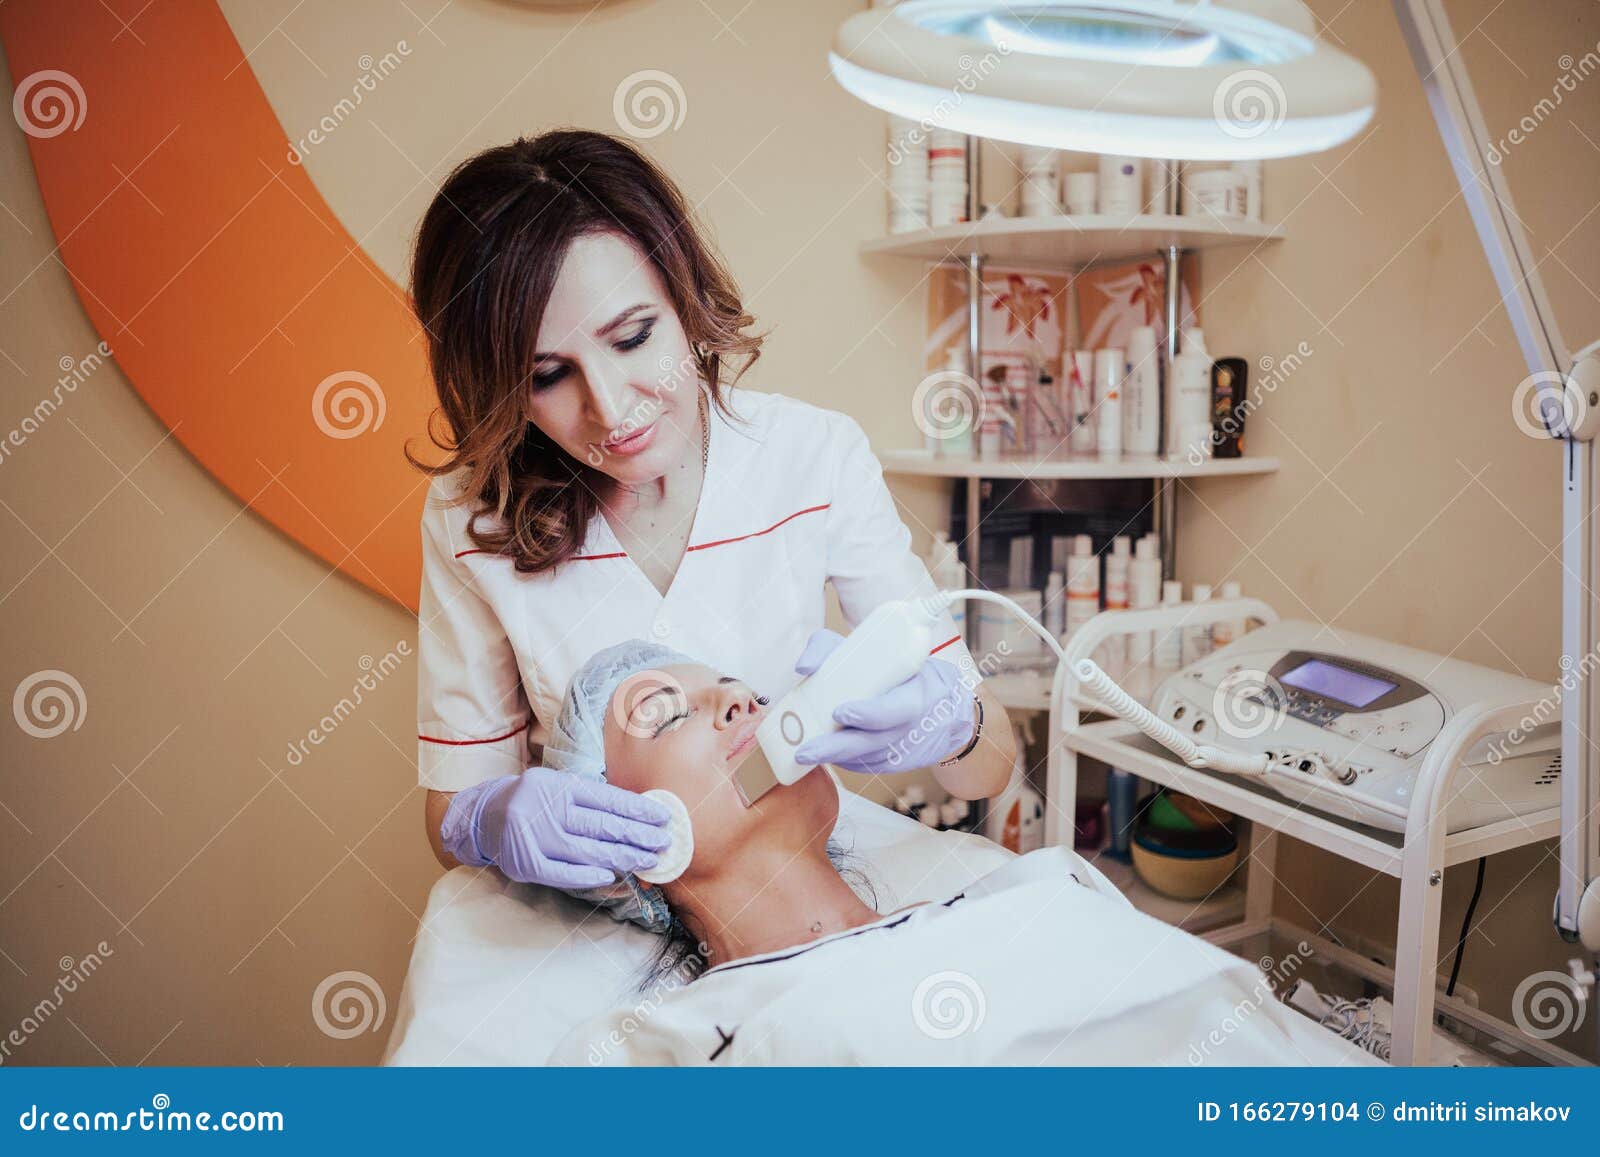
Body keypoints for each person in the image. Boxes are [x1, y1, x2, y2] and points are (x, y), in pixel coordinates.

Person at [408, 129, 1015, 892]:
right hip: (595, 920)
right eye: (548, 376)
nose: (610, 407)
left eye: (633, 337)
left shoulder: (813, 455)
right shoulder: (472, 517)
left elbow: (992, 766)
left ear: (683, 294)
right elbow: (451, 809)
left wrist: (949, 724)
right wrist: (485, 819)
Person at [535, 639, 1381, 1067]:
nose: (734, 699)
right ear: (623, 840)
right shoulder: (670, 1044)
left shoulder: (1033, 890)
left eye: (733, 683)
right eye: (663, 711)